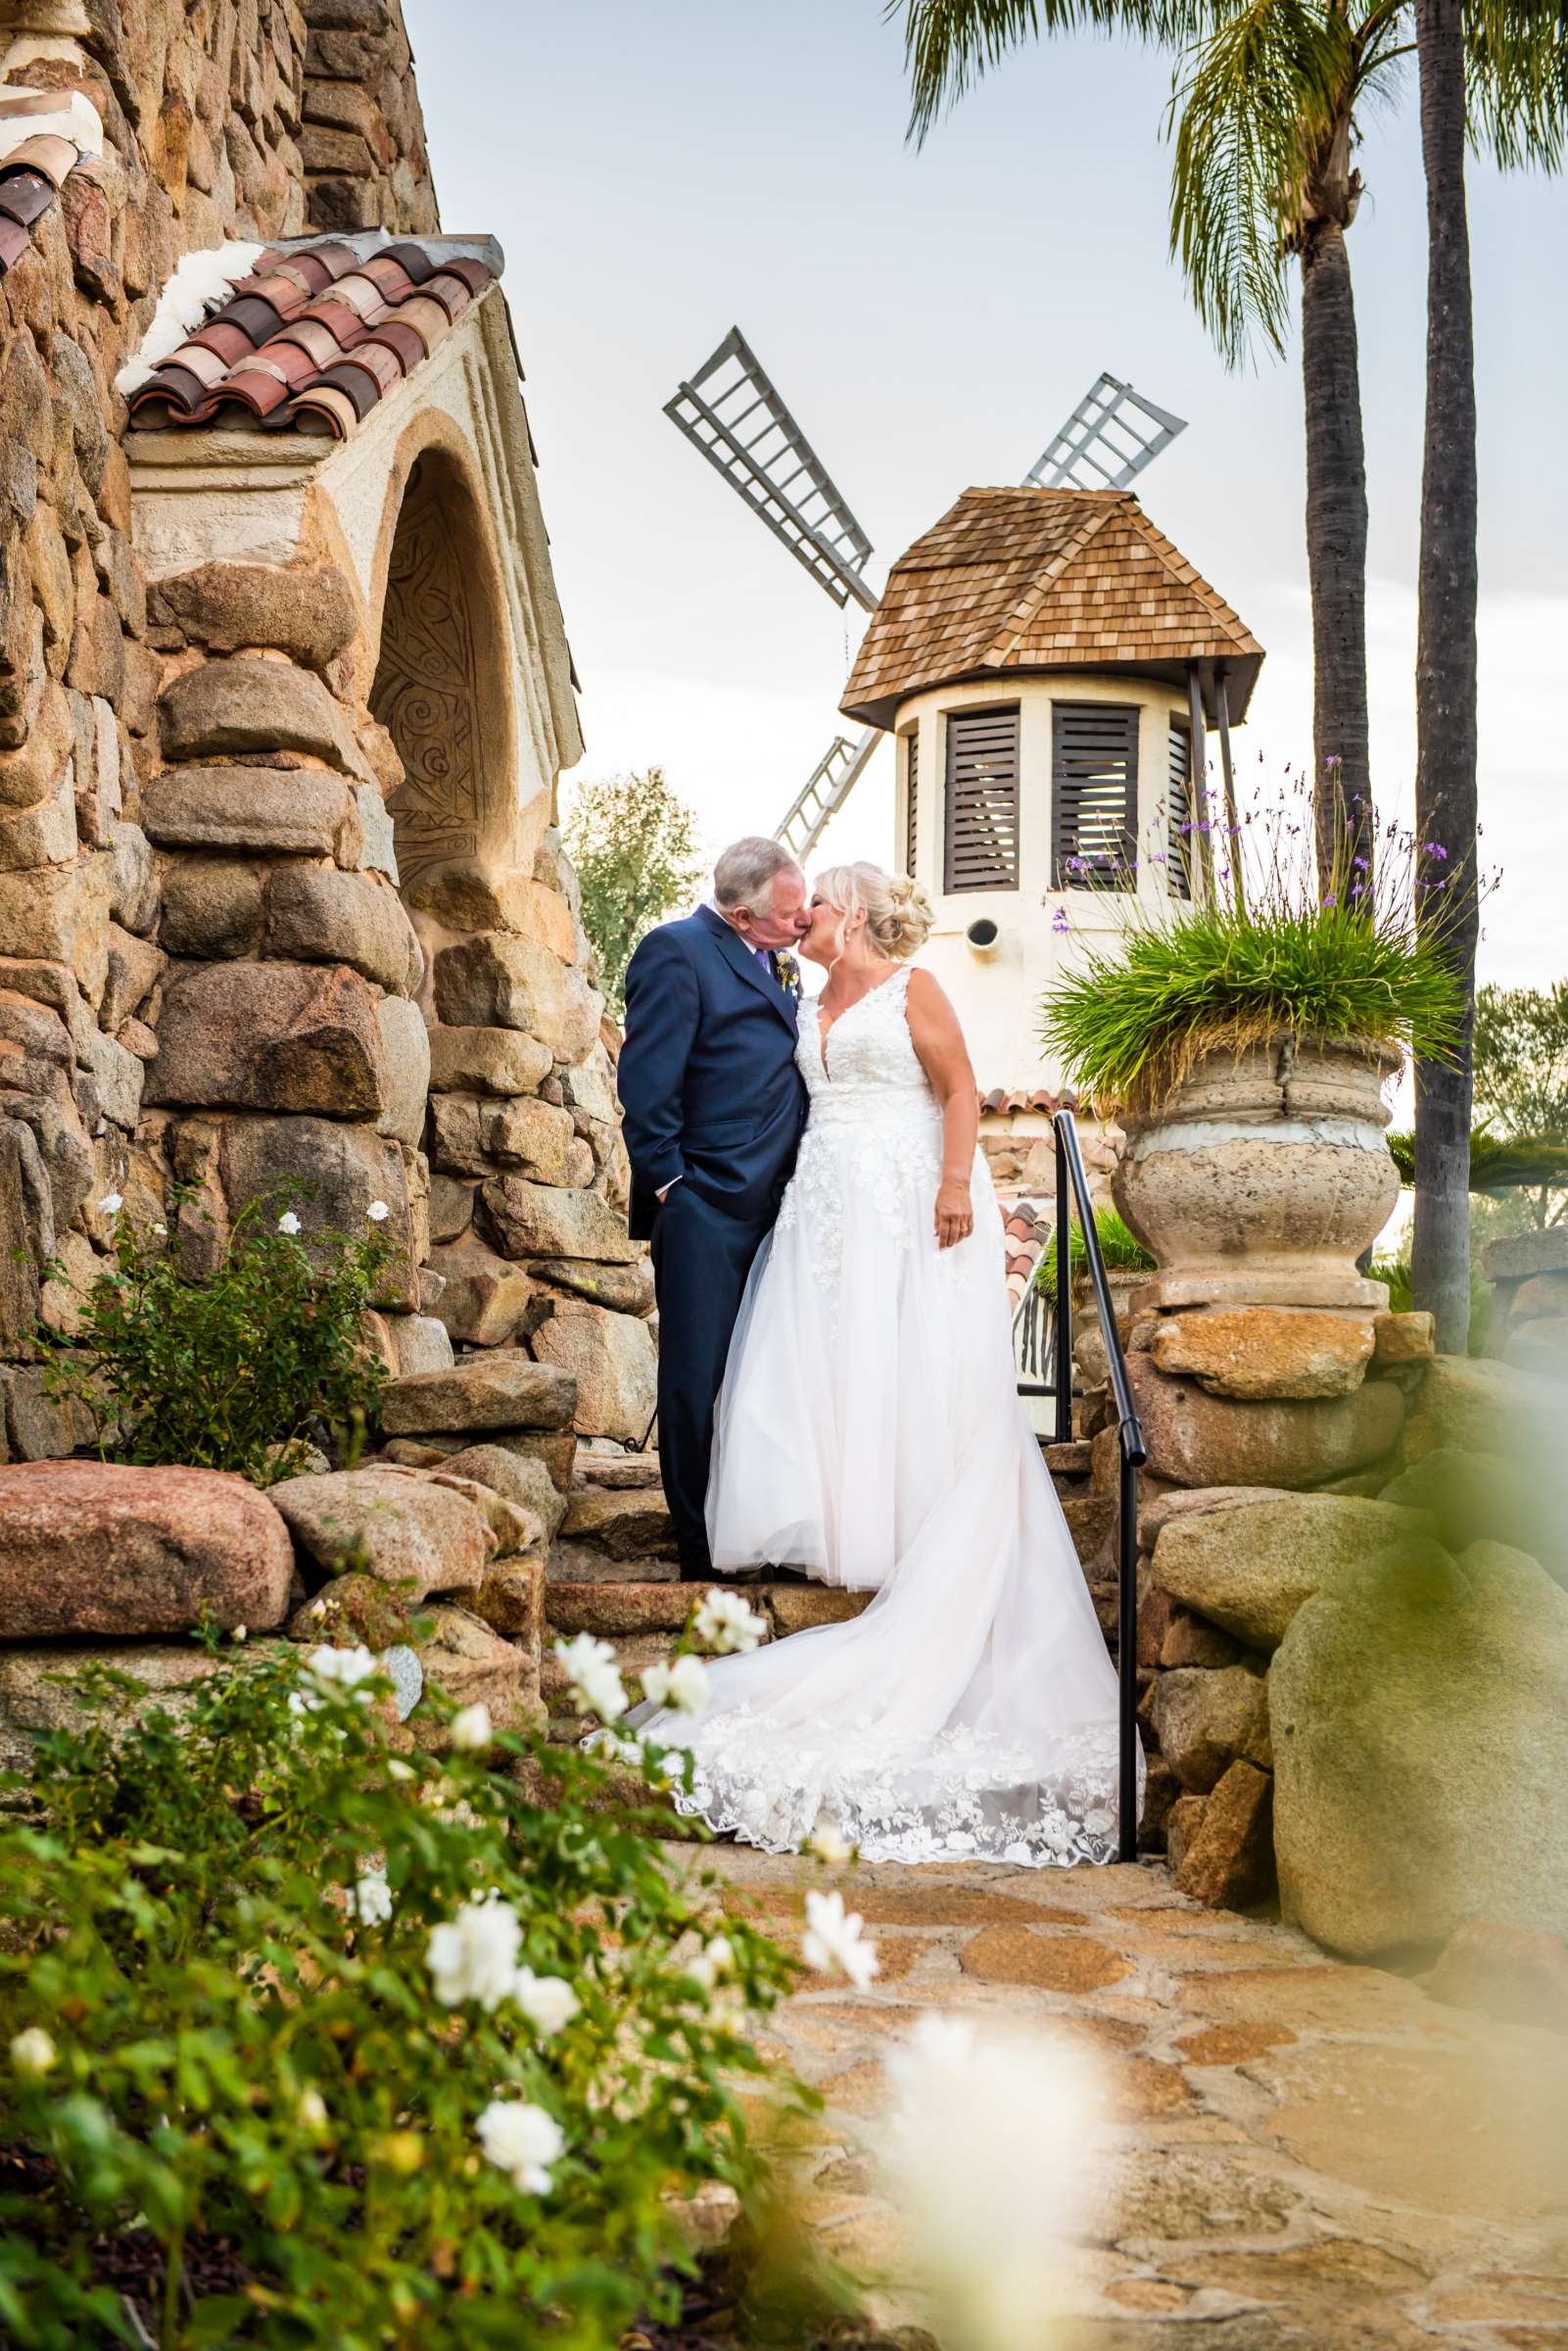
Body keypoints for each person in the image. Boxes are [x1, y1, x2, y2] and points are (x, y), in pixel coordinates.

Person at [633, 860, 1132, 1867]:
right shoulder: (803, 995)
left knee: (912, 1358)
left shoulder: (916, 986)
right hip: (822, 1202)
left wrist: (955, 1187)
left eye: (812, 903)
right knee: (828, 1361)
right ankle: (842, 1517)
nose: (800, 916)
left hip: (907, 1195)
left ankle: (915, 1527)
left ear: (851, 911)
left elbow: (957, 1092)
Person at [617, 838, 811, 1582]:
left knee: (759, 1373)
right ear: (739, 914)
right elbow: (647, 1078)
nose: (802, 924)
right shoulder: (677, 951)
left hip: (777, 1200)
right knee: (695, 1378)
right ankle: (698, 1545)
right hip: (706, 1202)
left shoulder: (777, 960)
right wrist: (672, 1185)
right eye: (789, 915)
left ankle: (753, 1522)